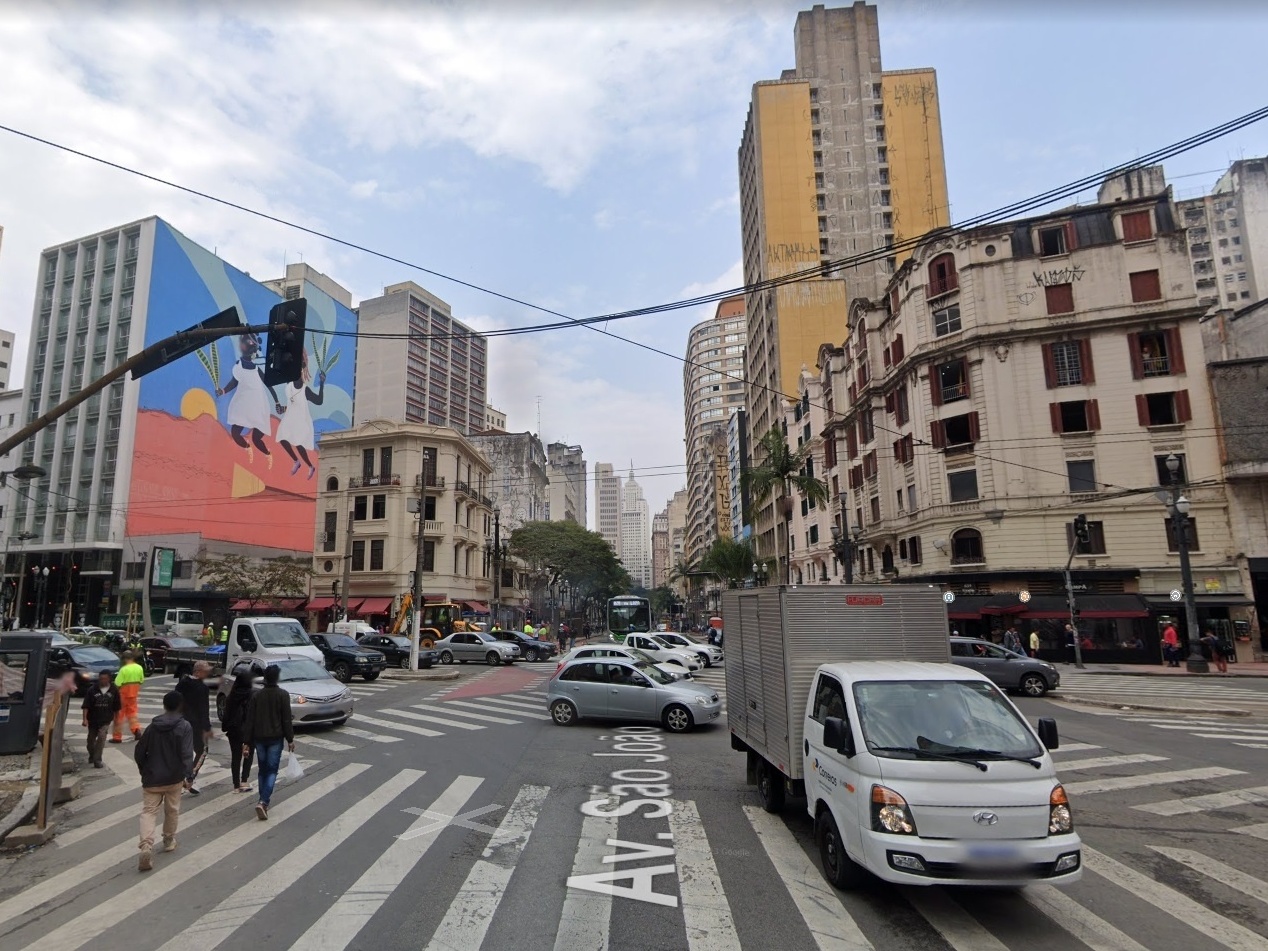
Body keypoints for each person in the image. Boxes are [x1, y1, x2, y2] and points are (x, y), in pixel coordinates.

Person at [134, 691, 193, 872]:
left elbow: (139, 752)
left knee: (149, 812)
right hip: (174, 778)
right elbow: (186, 754)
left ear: (164, 705)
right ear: (180, 705)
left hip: (152, 778)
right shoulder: (184, 727)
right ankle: (168, 840)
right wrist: (188, 775)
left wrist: (144, 770)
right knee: (172, 810)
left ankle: (146, 845)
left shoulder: (153, 727)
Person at [242, 664, 294, 821]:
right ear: (277, 677)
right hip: (275, 738)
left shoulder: (257, 695)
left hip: (259, 738)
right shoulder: (283, 695)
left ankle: (262, 800)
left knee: (262, 770)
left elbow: (249, 720)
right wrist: (290, 739)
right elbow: (286, 719)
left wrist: (246, 741)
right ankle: (263, 801)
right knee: (272, 771)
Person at [276, 349, 326, 479]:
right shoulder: (288, 386)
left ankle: (310, 466)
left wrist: (321, 384)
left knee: (298, 444)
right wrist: (283, 408)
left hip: (301, 420)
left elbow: (319, 401)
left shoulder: (305, 390)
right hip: (290, 417)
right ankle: (296, 461)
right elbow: (292, 404)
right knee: (282, 438)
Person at [175, 661, 213, 795]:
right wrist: (207, 728)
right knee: (202, 750)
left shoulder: (182, 684)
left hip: (180, 723)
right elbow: (204, 710)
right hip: (196, 725)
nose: (208, 673)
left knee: (183, 751)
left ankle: (179, 779)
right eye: (205, 671)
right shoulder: (202, 688)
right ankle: (189, 777)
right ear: (197, 672)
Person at [220, 668, 256, 793]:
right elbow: (253, 714)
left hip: (234, 730)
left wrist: (225, 727)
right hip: (248, 730)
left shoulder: (232, 695)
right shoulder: (252, 695)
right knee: (248, 755)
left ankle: (236, 785)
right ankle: (244, 781)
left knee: (236, 757)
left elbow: (227, 713)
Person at [82, 670, 120, 769]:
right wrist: (84, 719)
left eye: (105, 679)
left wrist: (117, 720)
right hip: (93, 719)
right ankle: (92, 754)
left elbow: (117, 707)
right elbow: (86, 705)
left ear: (109, 679)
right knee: (90, 740)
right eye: (101, 679)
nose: (103, 681)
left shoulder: (114, 690)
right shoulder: (92, 690)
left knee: (102, 737)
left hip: (106, 719)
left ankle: (97, 760)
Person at [112, 651, 146, 743]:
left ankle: (117, 737)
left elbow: (117, 683)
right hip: (133, 695)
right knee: (132, 714)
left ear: (125, 659)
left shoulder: (124, 669)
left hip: (123, 695)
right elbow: (141, 680)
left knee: (119, 715)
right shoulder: (139, 668)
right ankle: (136, 730)